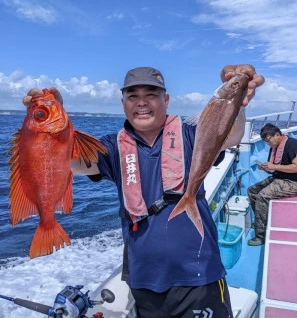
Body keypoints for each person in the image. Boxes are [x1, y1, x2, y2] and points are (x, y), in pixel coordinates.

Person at [23, 64, 264, 318]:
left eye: (151, 94)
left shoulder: (192, 134)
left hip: (199, 275)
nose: (142, 103)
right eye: (133, 96)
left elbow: (229, 136)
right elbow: (76, 162)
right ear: (123, 102)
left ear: (166, 100)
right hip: (144, 280)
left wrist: (237, 103)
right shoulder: (113, 147)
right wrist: (53, 120)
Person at [247, 123, 297, 246]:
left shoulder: (293, 144)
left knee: (262, 196)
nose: (267, 144)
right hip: (278, 177)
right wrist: (266, 168)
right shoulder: (274, 146)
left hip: (295, 182)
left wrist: (274, 166)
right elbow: (275, 167)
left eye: (268, 140)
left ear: (277, 135)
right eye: (265, 141)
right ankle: (262, 221)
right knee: (252, 191)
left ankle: (261, 236)